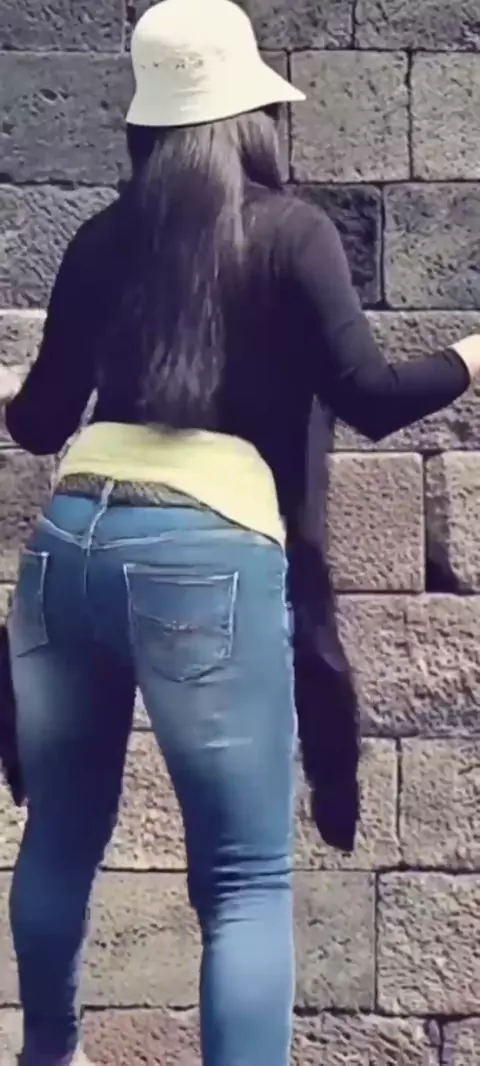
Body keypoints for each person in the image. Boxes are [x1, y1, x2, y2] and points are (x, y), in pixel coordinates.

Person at [1, 1, 480, 1063]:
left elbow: (39, 423)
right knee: (244, 882)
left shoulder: (101, 237)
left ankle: (49, 1054)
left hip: (69, 543)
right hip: (206, 554)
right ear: (253, 116)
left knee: (60, 840)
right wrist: (474, 353)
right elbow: (370, 396)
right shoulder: (290, 232)